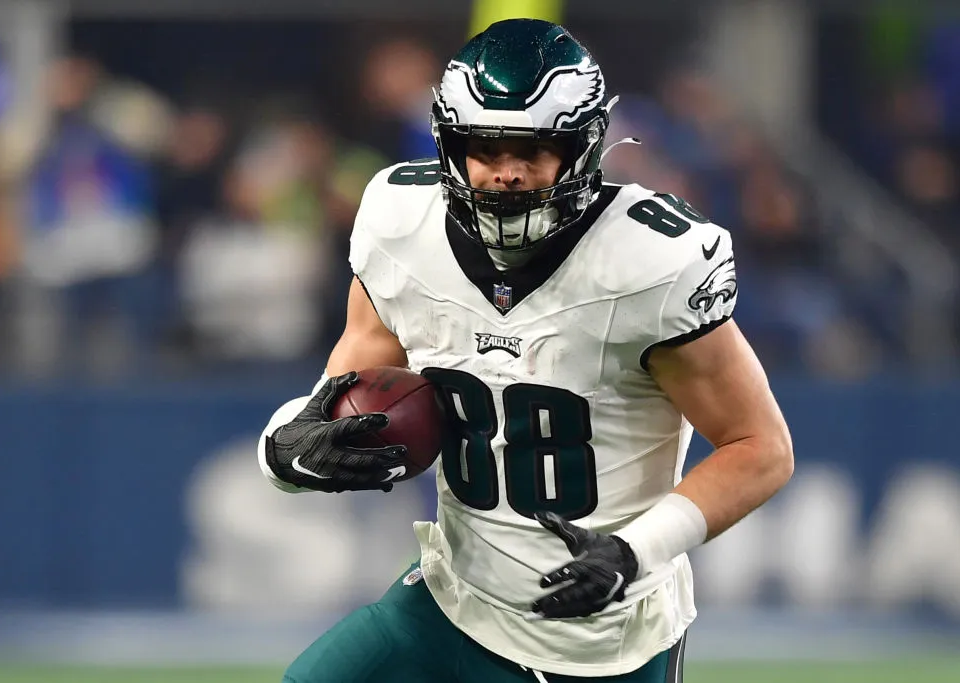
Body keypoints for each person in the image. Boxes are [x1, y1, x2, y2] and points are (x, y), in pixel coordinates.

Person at [257, 19, 794, 683]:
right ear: (452, 144)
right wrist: (281, 447)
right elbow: (336, 400)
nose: (507, 172)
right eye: (486, 146)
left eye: (533, 150)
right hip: (453, 601)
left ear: (582, 149)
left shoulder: (651, 263)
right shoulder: (401, 225)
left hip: (600, 644)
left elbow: (760, 446)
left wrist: (634, 550)